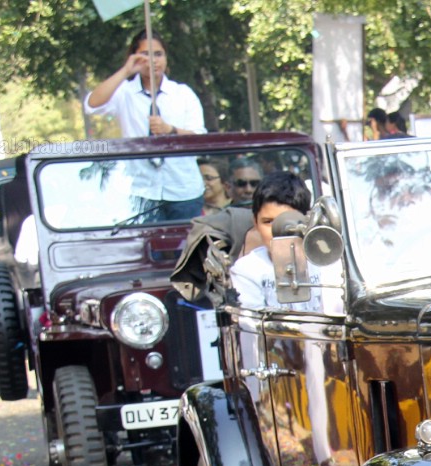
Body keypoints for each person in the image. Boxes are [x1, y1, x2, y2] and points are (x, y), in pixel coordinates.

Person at [83, 30, 205, 221]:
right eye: (145, 55)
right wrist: (126, 71)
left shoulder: (182, 94)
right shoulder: (125, 93)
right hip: (141, 191)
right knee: (146, 249)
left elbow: (200, 138)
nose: (153, 61)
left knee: (186, 249)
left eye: (158, 54)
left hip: (183, 190)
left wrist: (170, 130)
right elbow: (91, 105)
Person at [230, 171, 337, 314]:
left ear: (307, 219)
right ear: (255, 222)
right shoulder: (246, 270)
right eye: (268, 222)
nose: (277, 230)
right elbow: (251, 324)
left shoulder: (327, 263)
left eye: (287, 222)